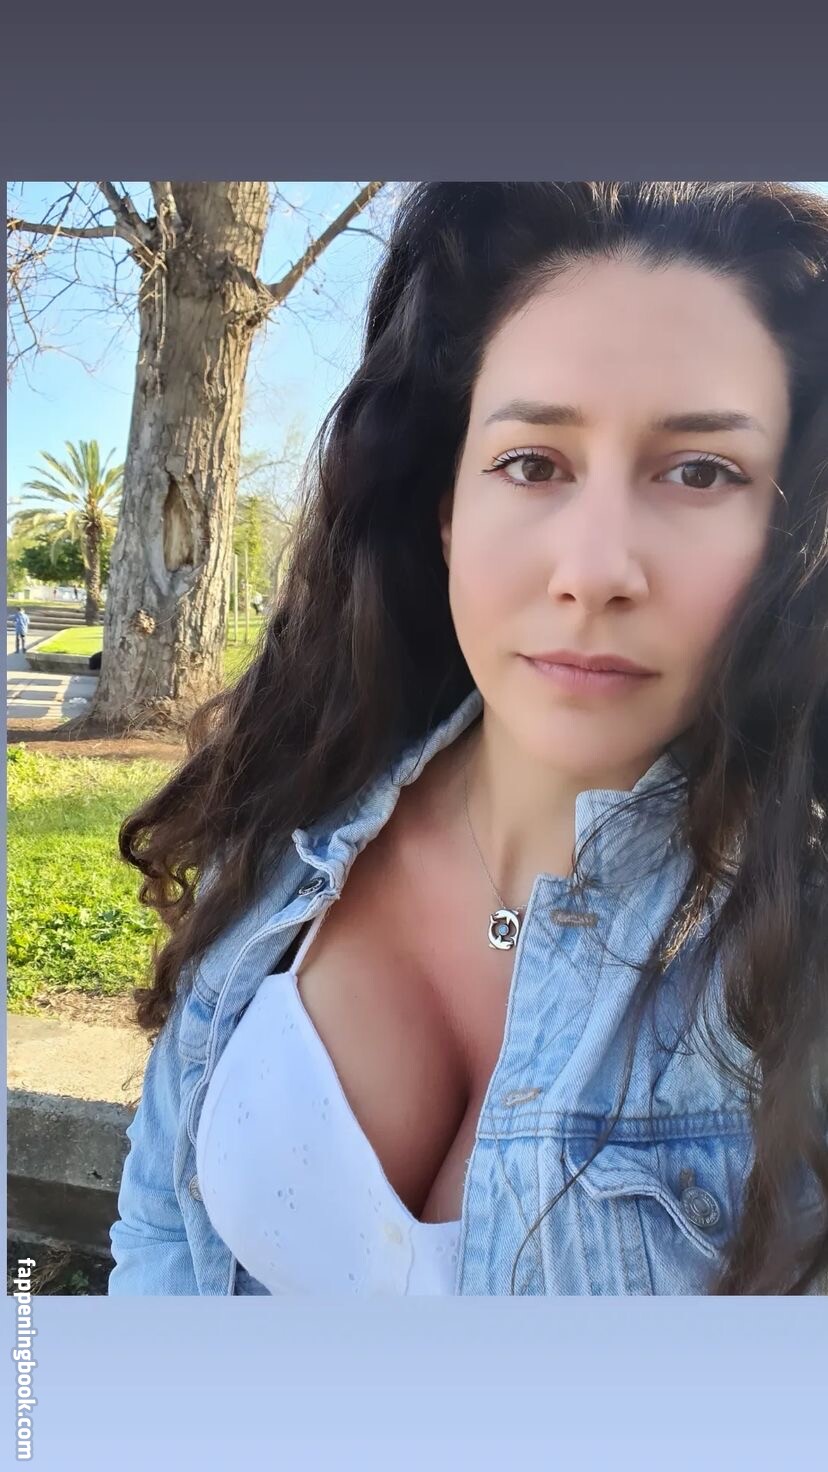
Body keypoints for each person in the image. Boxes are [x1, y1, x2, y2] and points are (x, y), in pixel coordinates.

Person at [109, 182, 828, 1298]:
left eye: (700, 472)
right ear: (447, 508)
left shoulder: (800, 958)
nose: (594, 570)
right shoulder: (298, 803)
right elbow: (161, 1223)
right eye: (533, 462)